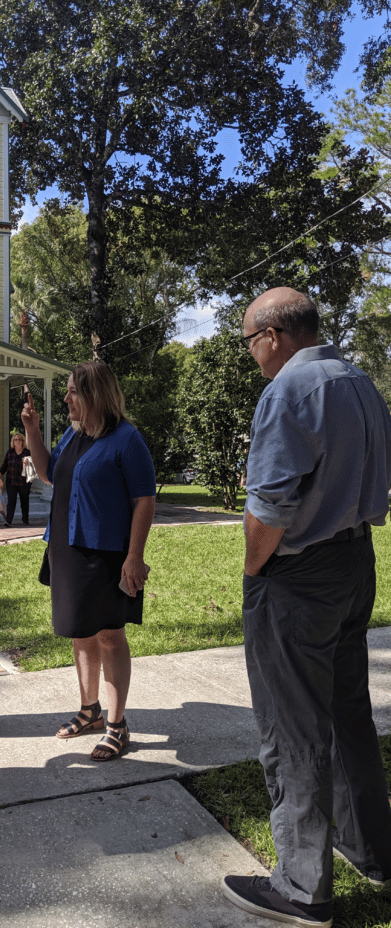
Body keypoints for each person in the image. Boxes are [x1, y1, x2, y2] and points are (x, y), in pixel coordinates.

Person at [222, 288, 391, 927]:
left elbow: (270, 506)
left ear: (272, 334)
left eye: (248, 342)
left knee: (292, 726)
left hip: (297, 576)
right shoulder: (361, 382)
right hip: (357, 562)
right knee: (348, 713)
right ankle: (370, 847)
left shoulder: (289, 391)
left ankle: (300, 887)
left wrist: (253, 568)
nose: (251, 355)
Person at [22, 361, 156, 761]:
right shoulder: (73, 434)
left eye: (73, 392)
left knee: (110, 635)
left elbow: (144, 500)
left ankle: (117, 725)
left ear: (95, 395)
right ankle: (90, 711)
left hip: (107, 555)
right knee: (81, 632)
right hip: (67, 549)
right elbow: (48, 473)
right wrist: (33, 432)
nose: (66, 398)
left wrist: (134, 557)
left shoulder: (127, 440)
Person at [0, 433, 31, 525]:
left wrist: (28, 462)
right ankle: (8, 521)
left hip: (24, 482)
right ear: (13, 441)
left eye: (19, 439)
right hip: (11, 481)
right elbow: (4, 465)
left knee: (24, 501)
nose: (17, 441)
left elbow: (32, 465)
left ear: (23, 441)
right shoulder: (10, 452)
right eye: (15, 440)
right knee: (11, 501)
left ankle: (25, 520)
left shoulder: (27, 452)